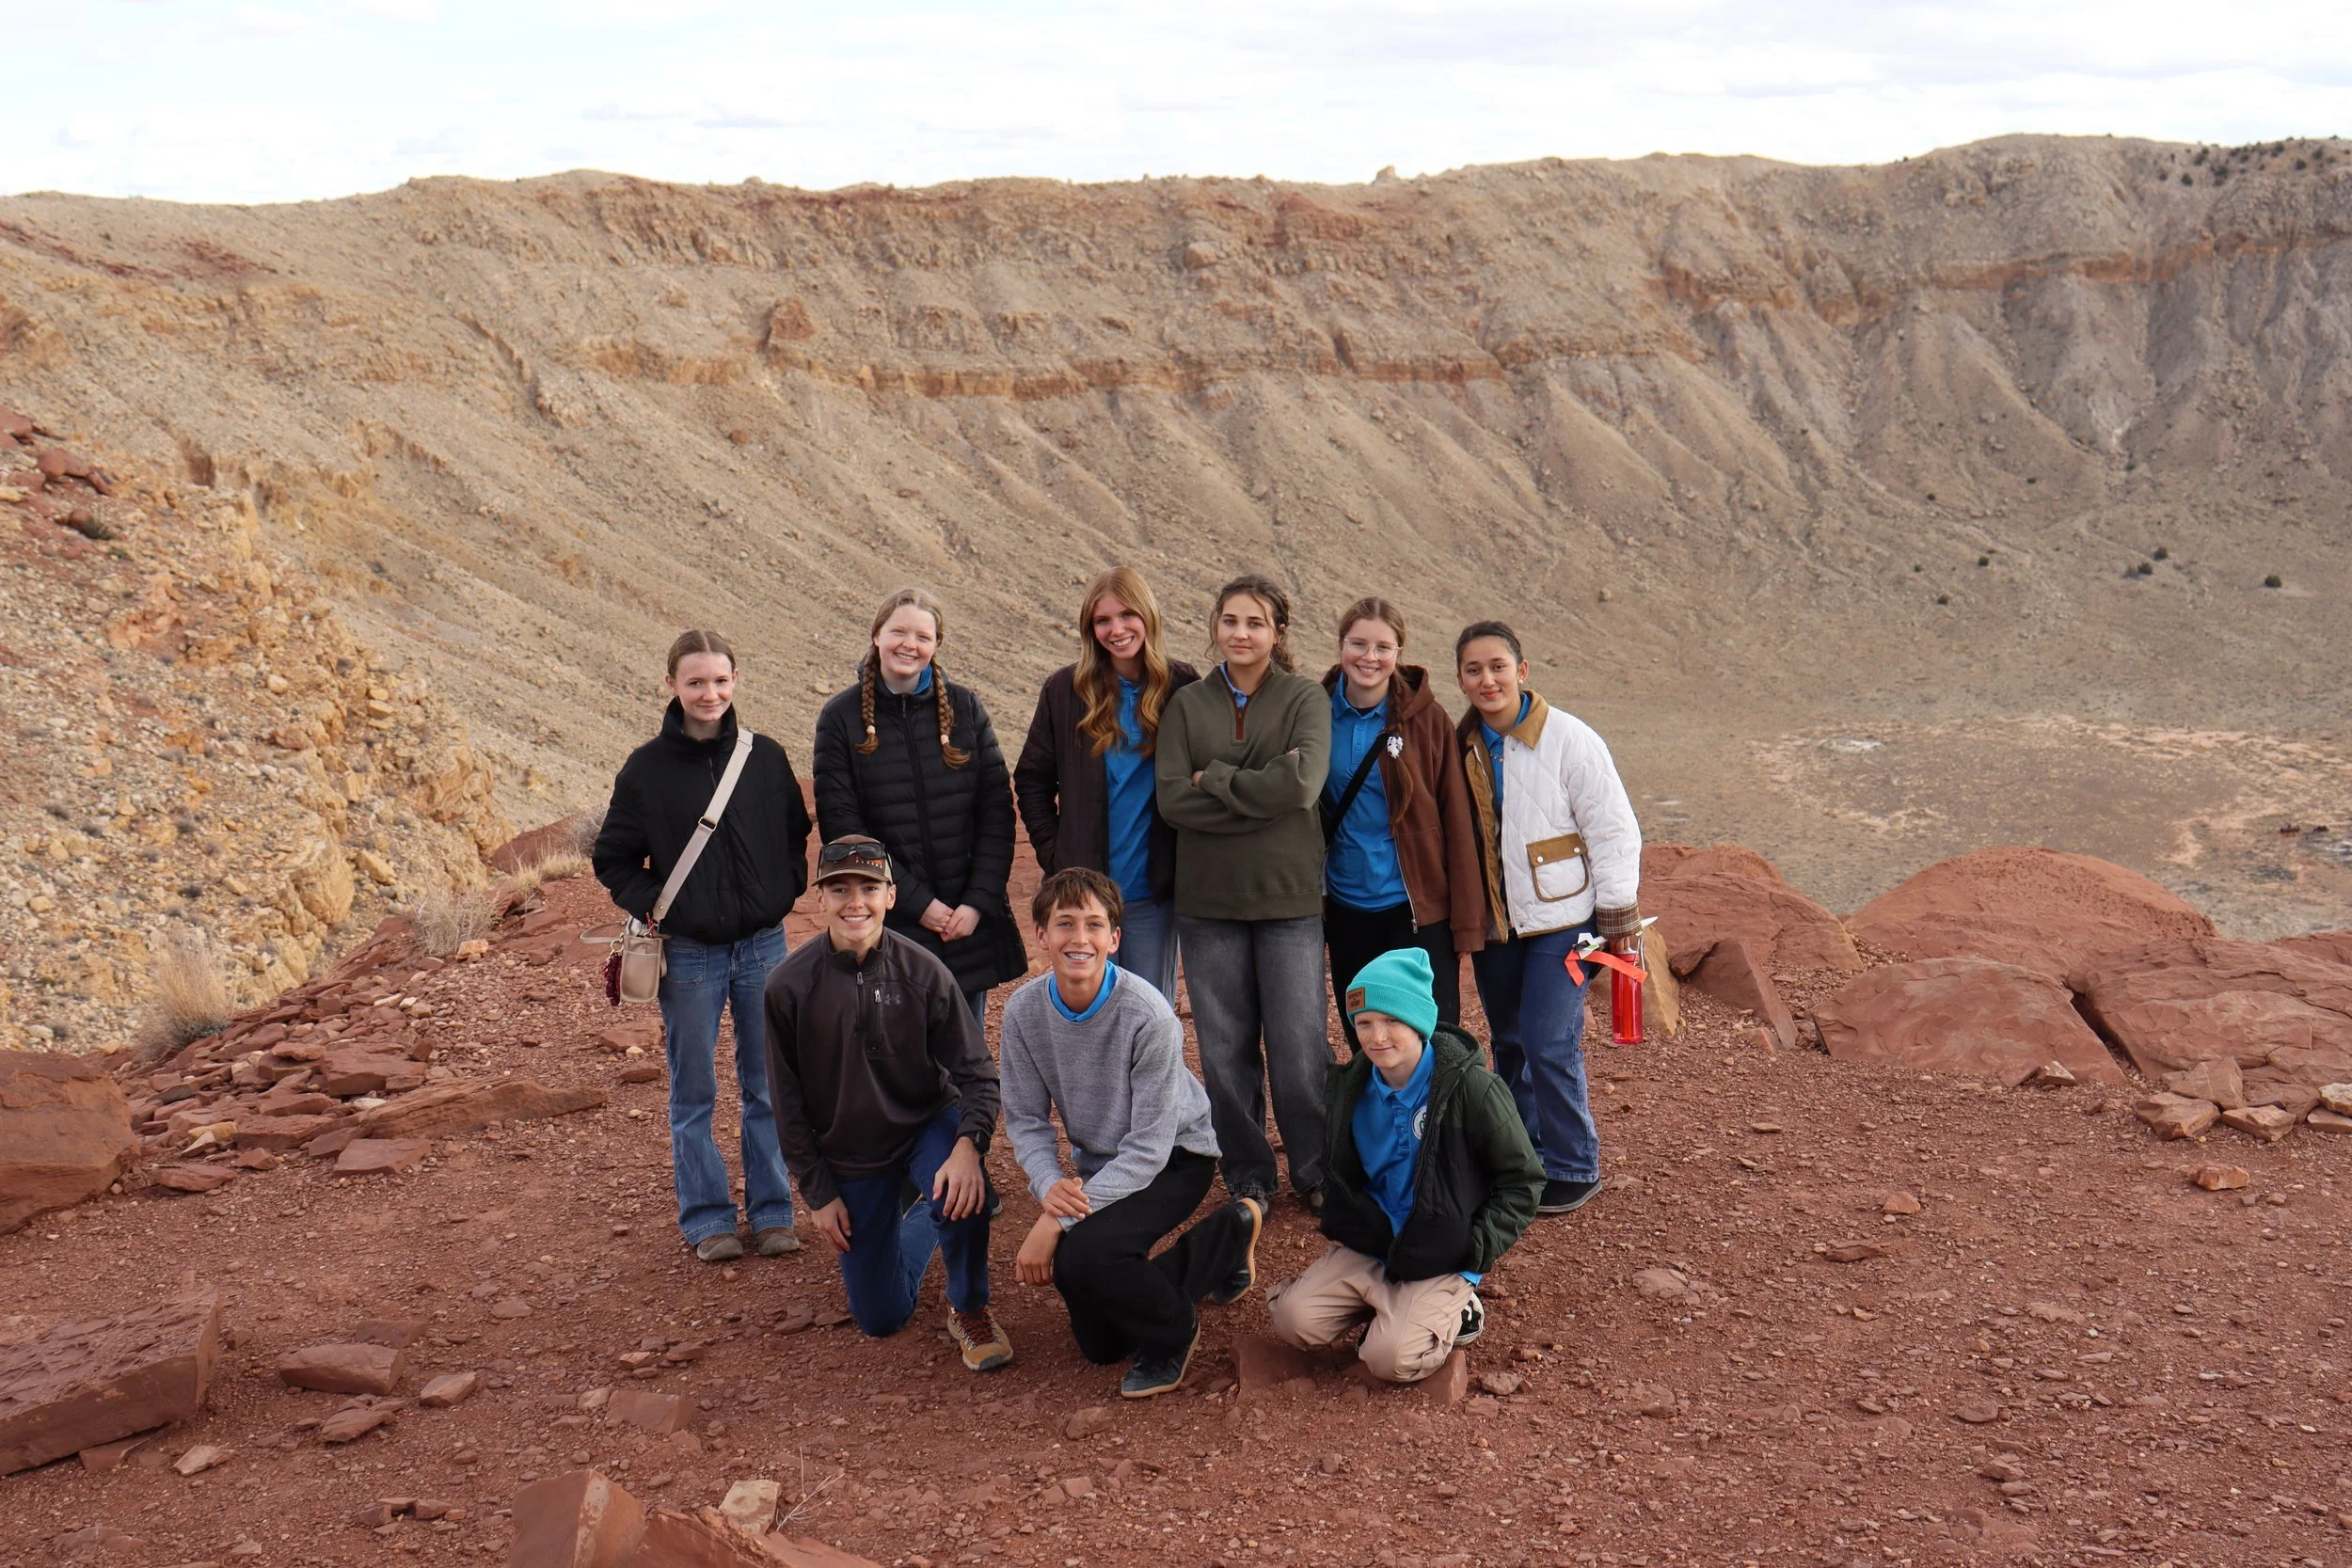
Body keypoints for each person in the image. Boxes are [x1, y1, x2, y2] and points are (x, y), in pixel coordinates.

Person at [1003, 867, 1264, 1398]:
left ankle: (1175, 1334)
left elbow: (1148, 1149)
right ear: (1041, 935)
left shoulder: (1148, 1014)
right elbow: (1027, 1122)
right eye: (1065, 924)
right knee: (1102, 1345)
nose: (1080, 939)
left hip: (1175, 1157)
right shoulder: (1023, 1013)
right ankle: (1225, 1241)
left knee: (1085, 1255)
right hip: (1104, 1164)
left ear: (1114, 939)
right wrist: (1049, 1187)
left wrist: (1058, 1218)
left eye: (1094, 925)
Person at [593, 629, 810, 1264]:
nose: (708, 693)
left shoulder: (764, 757)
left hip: (765, 946)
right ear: (671, 686)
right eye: (695, 682)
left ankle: (772, 1213)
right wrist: (660, 905)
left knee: (768, 1082)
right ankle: (709, 1218)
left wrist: (783, 890)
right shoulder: (645, 769)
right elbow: (613, 857)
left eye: (719, 680)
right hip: (688, 953)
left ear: (735, 681)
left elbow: (797, 834)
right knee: (694, 1092)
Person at [761, 836, 1014, 1371]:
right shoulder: (787, 986)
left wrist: (970, 1148)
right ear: (820, 898)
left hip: (927, 1126)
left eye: (869, 888)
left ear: (892, 895)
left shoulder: (924, 973)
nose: (856, 902)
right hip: (852, 1152)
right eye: (840, 889)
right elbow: (785, 1103)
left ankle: (969, 1307)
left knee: (963, 1191)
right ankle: (923, 1214)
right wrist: (818, 1192)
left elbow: (978, 1075)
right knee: (881, 1318)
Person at [1267, 946, 1542, 1383]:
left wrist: (1475, 1248)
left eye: (1392, 1020)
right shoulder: (1348, 1089)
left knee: (1388, 1360)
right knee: (1294, 1321)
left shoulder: (1472, 1089)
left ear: (1419, 1021)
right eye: (1364, 1023)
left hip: (1442, 1249)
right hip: (1375, 1243)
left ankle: (1458, 1302)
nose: (1378, 1037)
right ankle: (1389, 1305)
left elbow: (1523, 1180)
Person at [1155, 573, 1334, 1211]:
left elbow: (1303, 787)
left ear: (1277, 631)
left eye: (1255, 622)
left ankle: (1315, 1170)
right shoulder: (1187, 705)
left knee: (1298, 1048)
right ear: (1216, 627)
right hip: (1208, 906)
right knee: (1226, 1052)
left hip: (1288, 901)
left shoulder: (1305, 700)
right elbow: (1175, 799)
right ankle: (1248, 1174)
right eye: (1230, 621)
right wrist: (1260, 790)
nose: (1241, 633)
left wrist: (1218, 779)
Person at [1454, 620, 1642, 1216]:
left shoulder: (1570, 738)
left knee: (1548, 1039)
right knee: (1509, 1041)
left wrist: (1617, 913)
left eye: (1498, 667)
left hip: (1568, 920)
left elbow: (1612, 827)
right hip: (1496, 923)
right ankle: (1522, 1154)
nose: (1488, 679)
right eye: (1474, 670)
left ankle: (1574, 1163)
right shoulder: (1461, 745)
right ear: (1461, 678)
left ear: (1522, 671)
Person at [813, 588, 1026, 1025]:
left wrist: (976, 904)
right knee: (896, 1058)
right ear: (877, 635)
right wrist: (917, 903)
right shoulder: (840, 718)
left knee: (964, 1057)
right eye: (898, 632)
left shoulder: (966, 709)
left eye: (922, 636)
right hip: (890, 917)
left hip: (964, 923)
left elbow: (996, 813)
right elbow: (844, 827)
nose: (909, 645)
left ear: (936, 644)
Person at [1013, 567, 1201, 1002]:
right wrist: (1055, 853)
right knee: (1087, 1008)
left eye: (1127, 616)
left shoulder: (1182, 686)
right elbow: (1032, 779)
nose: (1116, 630)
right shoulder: (1065, 690)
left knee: (1149, 1012)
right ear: (1089, 628)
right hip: (1083, 896)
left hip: (1153, 892)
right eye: (1102, 621)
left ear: (1148, 617)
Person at [1318, 596, 1486, 1032]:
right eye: (1358, 644)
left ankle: (1434, 1105)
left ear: (1399, 653)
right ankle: (1379, 1104)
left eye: (1383, 647)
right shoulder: (1314, 711)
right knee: (1366, 1033)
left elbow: (1457, 820)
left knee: (1430, 1035)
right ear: (1341, 646)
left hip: (1416, 909)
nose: (1369, 658)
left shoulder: (1427, 719)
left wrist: (1466, 923)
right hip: (1346, 906)